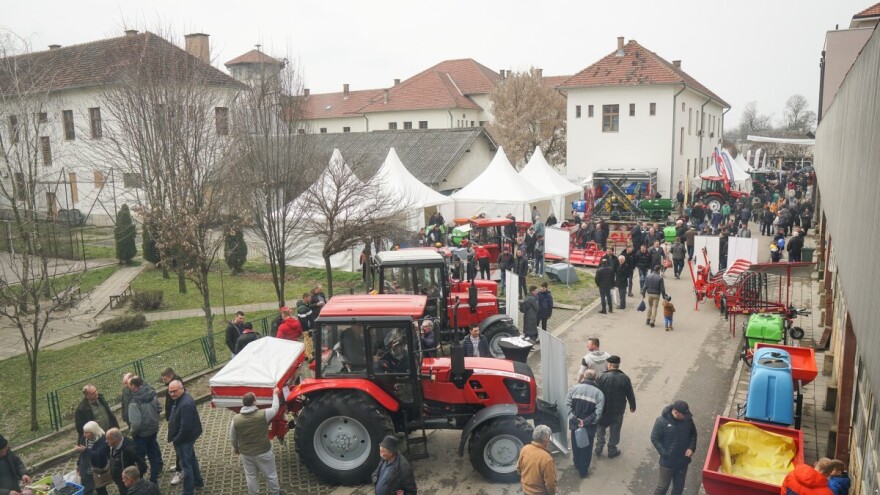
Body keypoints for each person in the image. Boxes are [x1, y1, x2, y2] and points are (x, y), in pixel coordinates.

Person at [230, 388, 282, 495]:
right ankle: (275, 492)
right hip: (264, 452)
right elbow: (275, 408)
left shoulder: (235, 420)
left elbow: (233, 437)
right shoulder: (263, 414)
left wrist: (236, 448)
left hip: (246, 454)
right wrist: (275, 394)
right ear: (254, 402)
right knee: (270, 474)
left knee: (251, 476)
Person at [650, 400, 697, 495]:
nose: (686, 417)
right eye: (683, 415)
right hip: (668, 462)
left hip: (683, 460)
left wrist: (691, 448)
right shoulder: (661, 421)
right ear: (676, 412)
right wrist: (664, 453)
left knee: (679, 487)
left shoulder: (687, 419)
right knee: (662, 487)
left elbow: (693, 434)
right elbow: (654, 438)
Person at [167, 380, 204, 495]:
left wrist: (176, 440)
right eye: (170, 392)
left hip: (184, 439)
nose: (172, 394)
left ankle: (188, 491)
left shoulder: (185, 404)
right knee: (191, 459)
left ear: (181, 389)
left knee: (186, 466)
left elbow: (185, 427)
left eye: (174, 391)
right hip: (186, 437)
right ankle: (198, 482)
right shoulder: (182, 399)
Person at [565, 369, 604, 478]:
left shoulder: (574, 389)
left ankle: (577, 463)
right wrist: (585, 422)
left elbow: (567, 405)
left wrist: (575, 419)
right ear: (595, 379)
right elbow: (598, 412)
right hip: (589, 427)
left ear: (584, 377)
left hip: (575, 425)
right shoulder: (599, 393)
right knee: (586, 448)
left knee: (575, 445)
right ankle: (583, 471)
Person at [595, 355, 636, 459]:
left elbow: (596, 393)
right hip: (618, 409)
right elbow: (630, 393)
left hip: (603, 409)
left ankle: (599, 446)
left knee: (600, 426)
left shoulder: (602, 377)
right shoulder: (625, 378)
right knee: (615, 429)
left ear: (609, 365)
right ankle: (612, 449)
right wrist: (632, 406)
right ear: (617, 365)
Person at [127, 376, 163, 484]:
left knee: (139, 459)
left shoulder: (134, 401)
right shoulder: (152, 394)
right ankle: (154, 480)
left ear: (134, 386)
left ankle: (140, 482)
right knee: (153, 456)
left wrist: (133, 433)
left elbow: (135, 423)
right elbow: (159, 408)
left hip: (141, 435)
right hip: (153, 430)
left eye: (129, 385)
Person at [516, 425, 557, 495]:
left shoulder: (525, 449)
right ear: (545, 440)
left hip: (526, 490)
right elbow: (550, 484)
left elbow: (518, 469)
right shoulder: (546, 459)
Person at [105, 428, 146, 495]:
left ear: (116, 439)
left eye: (108, 439)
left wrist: (135, 480)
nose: (106, 441)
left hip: (129, 483)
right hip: (121, 482)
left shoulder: (129, 449)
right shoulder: (112, 445)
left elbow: (141, 464)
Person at [160, 368, 183, 485]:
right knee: (179, 448)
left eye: (165, 379)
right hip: (173, 421)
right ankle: (180, 465)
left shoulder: (175, 387)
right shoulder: (172, 385)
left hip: (177, 423)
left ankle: (180, 470)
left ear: (171, 376)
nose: (164, 382)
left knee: (180, 447)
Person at [76, 421, 109, 495]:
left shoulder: (102, 440)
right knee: (87, 487)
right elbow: (82, 453)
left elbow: (99, 455)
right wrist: (78, 464)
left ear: (93, 432)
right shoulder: (84, 439)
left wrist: (85, 450)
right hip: (86, 467)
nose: (84, 434)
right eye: (84, 432)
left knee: (100, 488)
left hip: (97, 468)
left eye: (87, 433)